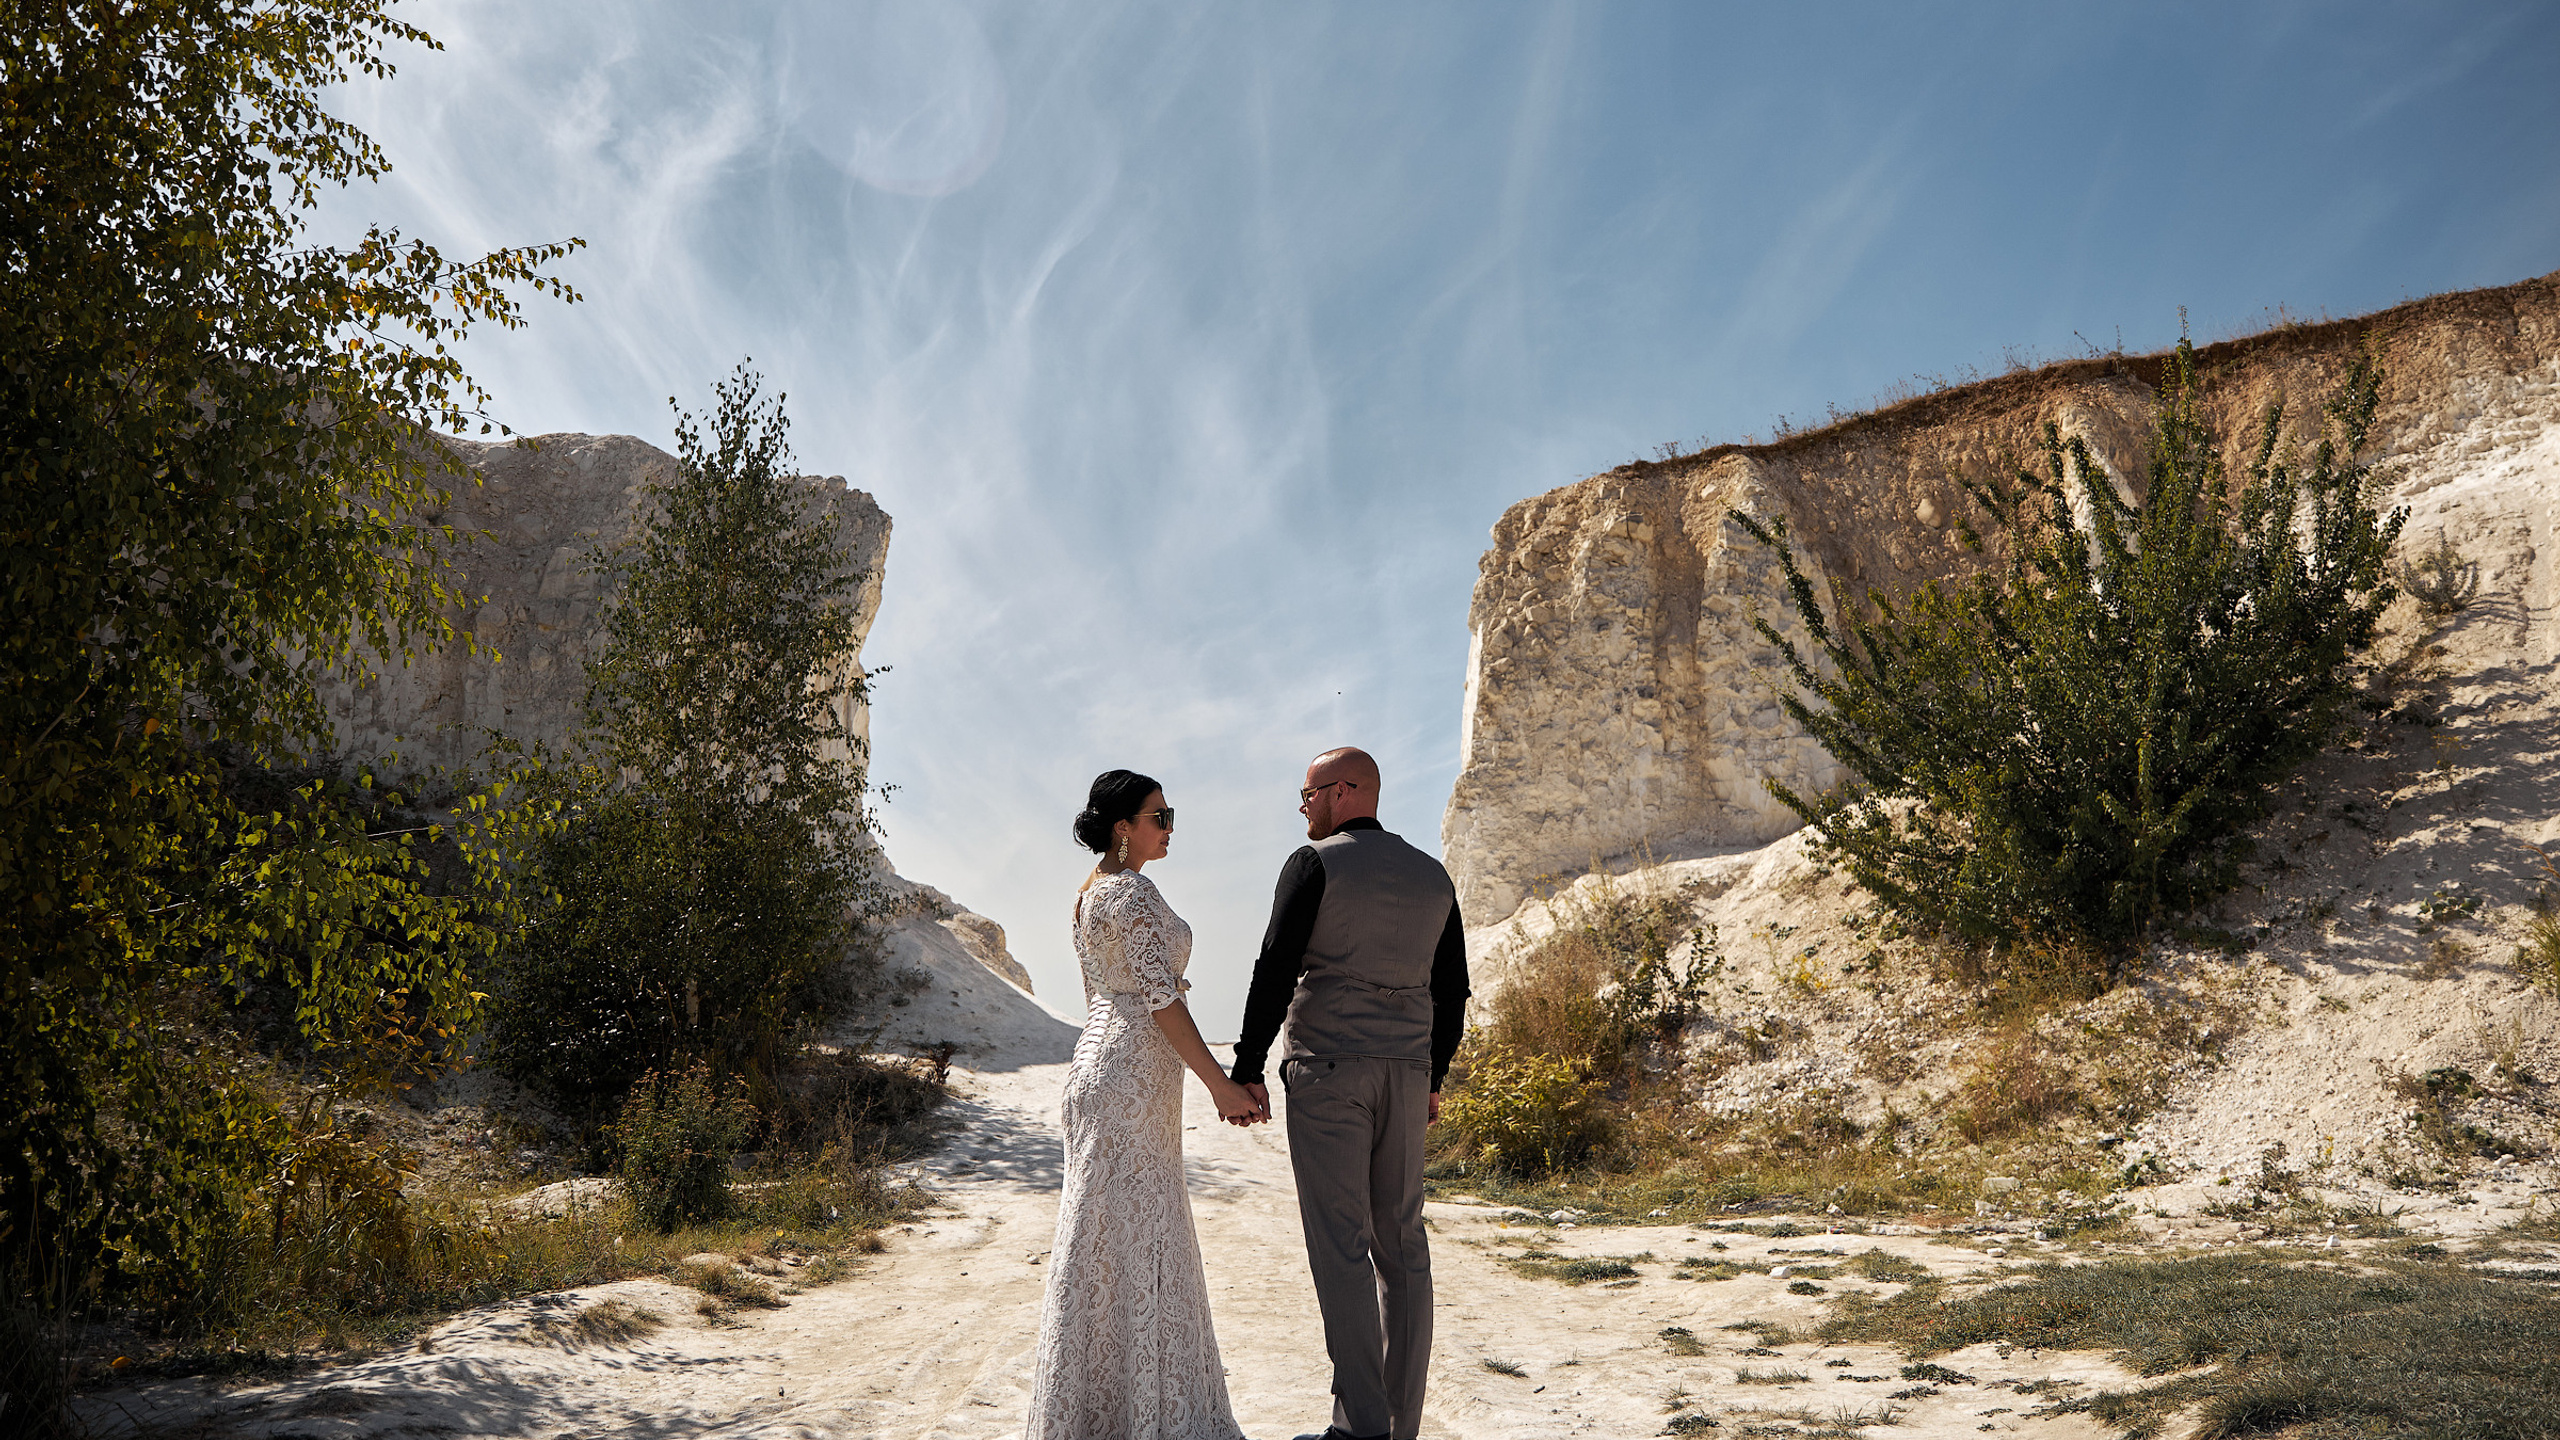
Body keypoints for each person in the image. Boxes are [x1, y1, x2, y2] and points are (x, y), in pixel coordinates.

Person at [1230, 747, 1469, 1440]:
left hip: (1330, 1071)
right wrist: (1433, 1076)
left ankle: (1360, 1429)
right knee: (1404, 1245)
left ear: (1343, 791)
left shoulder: (1314, 864)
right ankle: (1400, 1426)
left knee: (1342, 1246)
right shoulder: (1433, 875)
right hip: (1407, 1072)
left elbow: (1275, 967)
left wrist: (1248, 1065)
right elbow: (1453, 988)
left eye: (1308, 794)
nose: (1303, 807)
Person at [1026, 769, 1264, 1440]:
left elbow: (1112, 994)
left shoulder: (1088, 893)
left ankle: (1100, 1418)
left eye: (1169, 816)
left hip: (1101, 1070)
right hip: (1128, 1078)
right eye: (1159, 817)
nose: (1169, 828)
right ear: (1122, 827)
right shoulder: (1130, 892)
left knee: (1102, 1240)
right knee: (1138, 1237)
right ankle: (1140, 1418)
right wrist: (1221, 1085)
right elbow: (1161, 999)